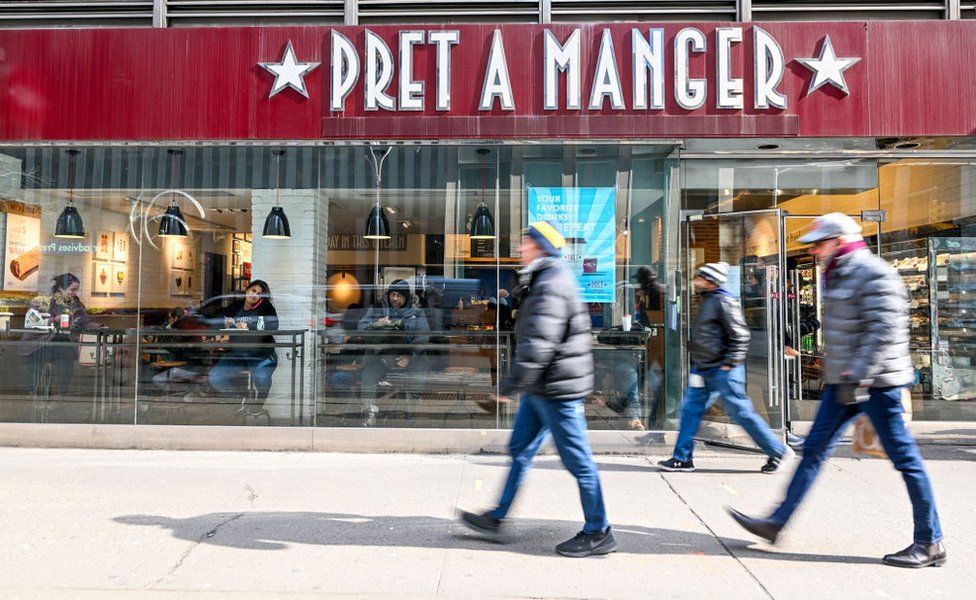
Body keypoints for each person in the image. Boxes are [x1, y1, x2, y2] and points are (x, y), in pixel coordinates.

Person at [728, 213, 946, 569]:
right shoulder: (839, 273)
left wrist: (858, 376)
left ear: (840, 241)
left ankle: (930, 541)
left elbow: (884, 331)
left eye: (819, 243)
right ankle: (776, 522)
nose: (814, 251)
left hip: (878, 384)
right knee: (812, 450)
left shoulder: (874, 273)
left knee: (906, 460)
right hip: (843, 383)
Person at [458, 221, 615, 558]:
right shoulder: (541, 279)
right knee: (519, 448)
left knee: (578, 460)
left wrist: (508, 385)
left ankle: (598, 531)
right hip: (541, 387)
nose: (520, 247)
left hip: (558, 389)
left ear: (541, 245)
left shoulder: (553, 282)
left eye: (525, 241)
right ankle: (497, 518)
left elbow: (539, 344)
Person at [658, 262, 794, 474]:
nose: (696, 282)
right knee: (690, 412)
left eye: (700, 278)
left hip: (723, 369)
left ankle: (778, 451)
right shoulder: (709, 300)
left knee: (741, 413)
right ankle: (682, 458)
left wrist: (729, 364)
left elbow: (740, 335)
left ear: (711, 281)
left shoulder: (724, 301)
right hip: (704, 369)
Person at [357, 280, 430, 426]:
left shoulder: (416, 311)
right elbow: (361, 327)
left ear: (406, 297)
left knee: (418, 376)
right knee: (368, 374)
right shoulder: (377, 309)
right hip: (382, 356)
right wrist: (376, 324)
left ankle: (410, 412)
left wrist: (409, 356)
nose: (395, 298)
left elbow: (423, 336)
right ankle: (369, 412)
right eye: (393, 294)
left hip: (411, 356)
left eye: (400, 296)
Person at [20, 273, 97, 400]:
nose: (74, 293)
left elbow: (84, 322)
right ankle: (32, 392)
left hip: (64, 342)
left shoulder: (76, 304)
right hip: (40, 342)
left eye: (76, 290)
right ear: (61, 288)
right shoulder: (42, 301)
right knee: (36, 360)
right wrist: (53, 319)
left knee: (66, 360)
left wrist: (98, 327)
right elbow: (32, 322)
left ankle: (62, 393)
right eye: (72, 289)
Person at [207, 280, 279, 413]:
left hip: (261, 354)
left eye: (260, 294)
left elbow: (273, 326)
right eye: (253, 291)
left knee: (262, 378)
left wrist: (249, 326)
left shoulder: (266, 307)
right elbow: (215, 322)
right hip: (237, 354)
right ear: (247, 290)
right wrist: (224, 323)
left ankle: (258, 405)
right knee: (215, 377)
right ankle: (238, 399)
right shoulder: (236, 306)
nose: (255, 295)